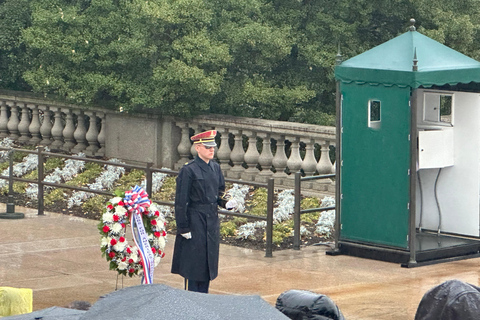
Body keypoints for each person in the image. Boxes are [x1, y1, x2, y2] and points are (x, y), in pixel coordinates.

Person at [171, 130, 235, 293]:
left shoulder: (215, 167)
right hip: (195, 220)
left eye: (212, 147)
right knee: (194, 265)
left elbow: (219, 191)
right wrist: (183, 227)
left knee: (208, 264)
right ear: (198, 148)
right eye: (207, 147)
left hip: (211, 220)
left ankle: (203, 297)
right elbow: (181, 200)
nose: (211, 150)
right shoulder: (189, 170)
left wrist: (226, 202)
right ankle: (193, 301)